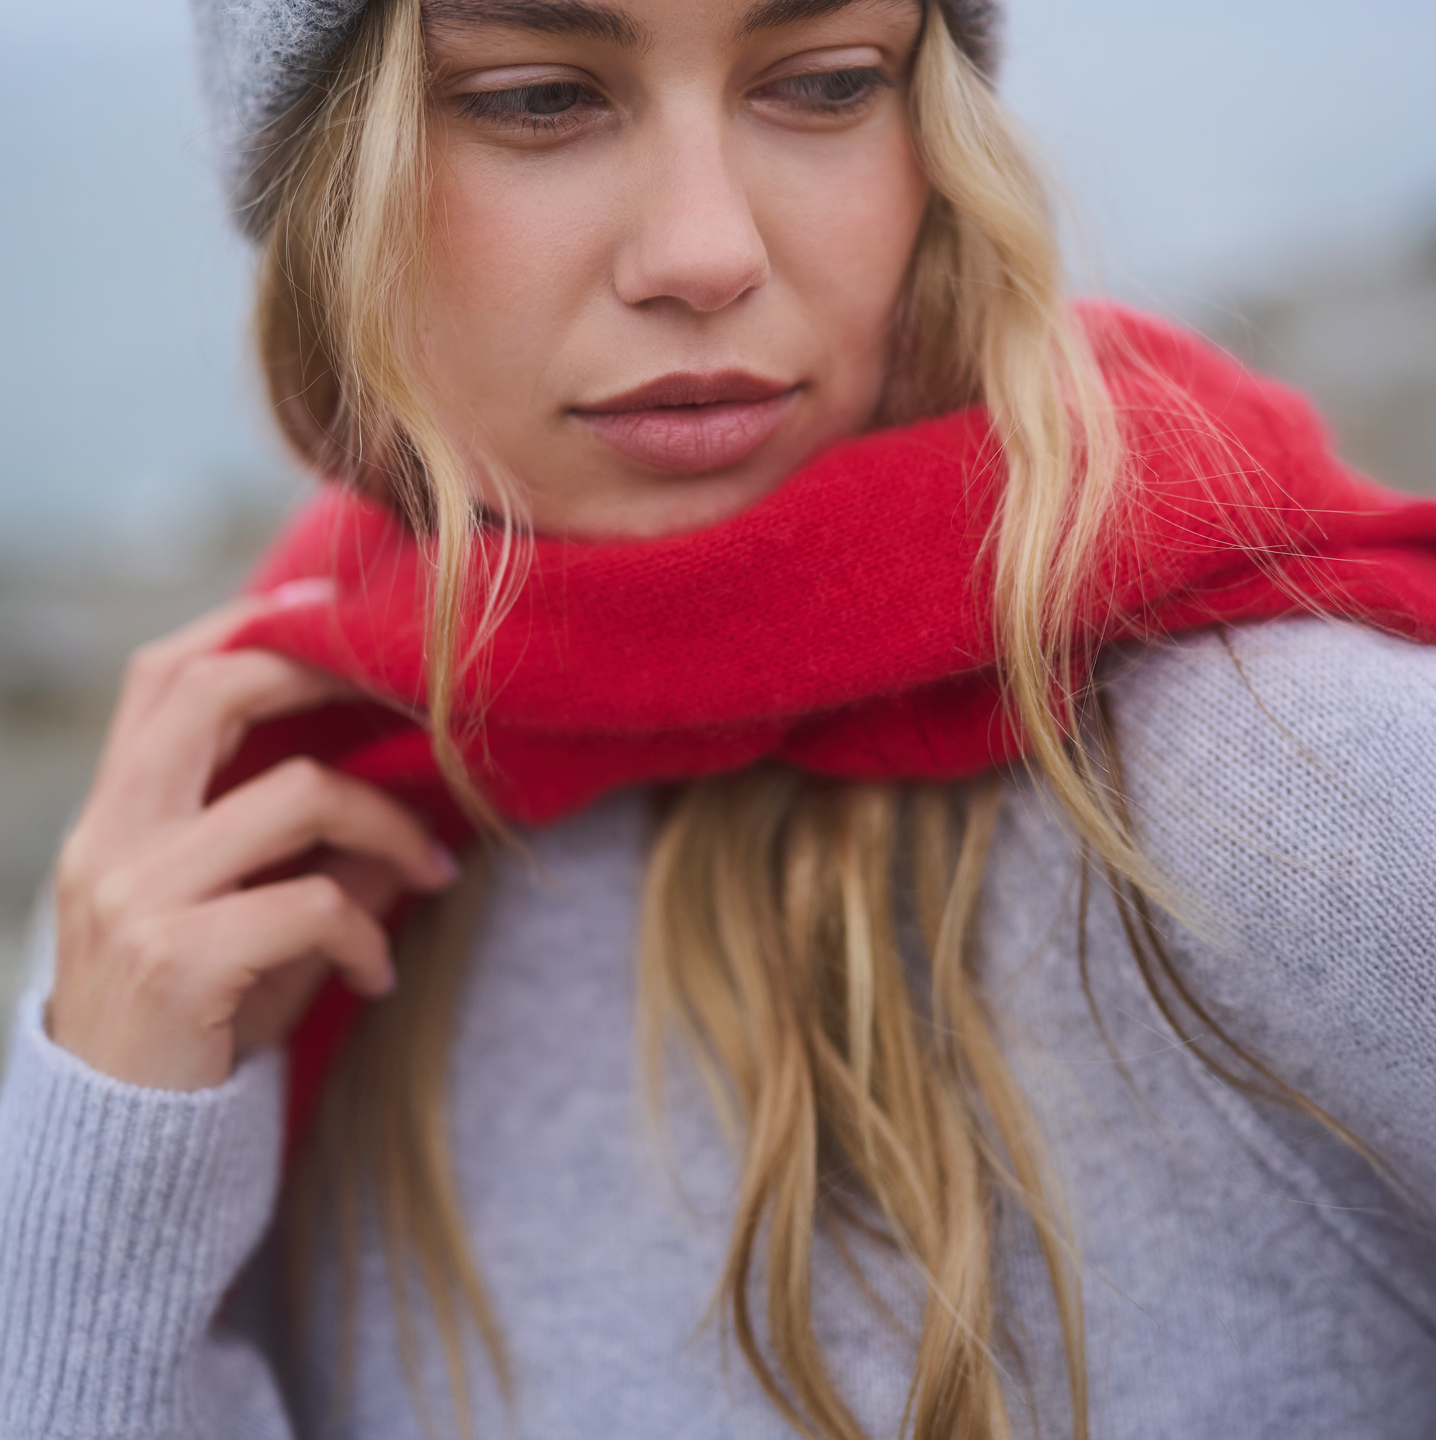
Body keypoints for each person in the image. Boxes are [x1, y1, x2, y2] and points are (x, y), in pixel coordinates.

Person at [0, 1, 1433, 1437]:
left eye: (823, 83)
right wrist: (108, 1161)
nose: (707, 251)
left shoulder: (1286, 781)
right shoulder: (236, 859)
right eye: (541, 98)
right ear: (328, 190)